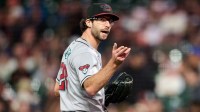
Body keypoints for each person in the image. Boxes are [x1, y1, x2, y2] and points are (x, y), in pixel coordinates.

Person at [54, 3, 131, 112]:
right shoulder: (85, 52)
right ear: (89, 22)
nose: (108, 25)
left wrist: (100, 98)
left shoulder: (73, 46)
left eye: (110, 21)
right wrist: (114, 63)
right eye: (102, 20)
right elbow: (90, 88)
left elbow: (58, 89)